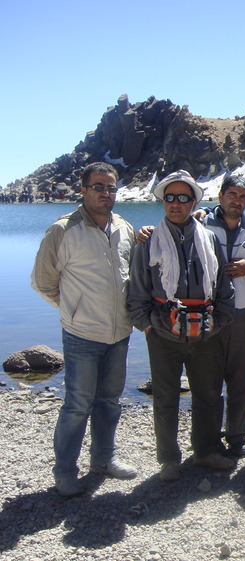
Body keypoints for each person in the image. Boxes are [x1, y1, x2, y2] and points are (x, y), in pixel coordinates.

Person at [31, 162, 137, 496]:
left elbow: (129, 276)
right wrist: (72, 310)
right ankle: (64, 472)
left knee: (110, 400)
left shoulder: (124, 227)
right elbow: (43, 281)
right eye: (99, 187)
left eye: (111, 188)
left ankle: (103, 460)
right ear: (84, 189)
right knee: (77, 404)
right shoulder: (63, 230)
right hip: (82, 335)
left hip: (119, 333)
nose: (106, 194)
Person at [127, 170, 236, 482]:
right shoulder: (148, 242)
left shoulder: (210, 239)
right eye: (170, 197)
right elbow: (137, 292)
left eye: (183, 197)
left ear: (193, 202)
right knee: (165, 398)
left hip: (206, 333)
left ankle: (205, 451)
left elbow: (223, 287)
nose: (175, 203)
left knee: (209, 395)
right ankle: (169, 459)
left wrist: (220, 322)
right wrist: (148, 326)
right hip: (163, 335)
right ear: (163, 201)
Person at [202, 174, 245, 457]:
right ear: (220, 196)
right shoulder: (201, 222)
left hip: (243, 314)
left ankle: (237, 437)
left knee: (241, 379)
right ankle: (208, 439)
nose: (237, 201)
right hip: (207, 313)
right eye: (232, 194)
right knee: (207, 380)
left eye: (243, 196)